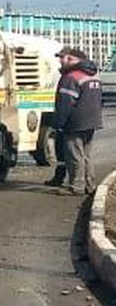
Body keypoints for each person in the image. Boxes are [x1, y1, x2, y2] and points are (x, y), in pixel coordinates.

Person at [44, 46, 102, 195]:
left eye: (64, 58)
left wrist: (59, 123)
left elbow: (65, 104)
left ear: (74, 60)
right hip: (92, 120)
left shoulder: (71, 77)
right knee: (86, 155)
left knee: (74, 155)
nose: (61, 61)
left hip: (75, 122)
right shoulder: (93, 74)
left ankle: (76, 186)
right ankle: (89, 185)